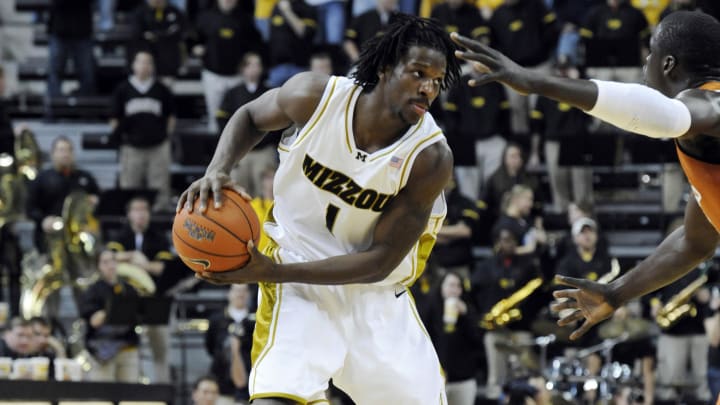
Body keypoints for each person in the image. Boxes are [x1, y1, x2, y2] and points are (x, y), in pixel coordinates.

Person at [179, 14, 461, 404]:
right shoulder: (314, 97)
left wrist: (272, 271)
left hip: (375, 295)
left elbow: (378, 261)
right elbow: (249, 115)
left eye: (437, 81)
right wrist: (217, 170)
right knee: (276, 398)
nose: (428, 88)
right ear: (384, 68)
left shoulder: (429, 157)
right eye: (418, 73)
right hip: (298, 273)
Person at [450, 10, 720, 340]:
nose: (645, 60)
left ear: (668, 65)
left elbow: (670, 116)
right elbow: (694, 242)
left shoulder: (711, 102)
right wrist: (616, 292)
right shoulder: (706, 140)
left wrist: (536, 82)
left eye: (652, 52)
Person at [107, 195, 174, 383]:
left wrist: (143, 265)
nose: (141, 214)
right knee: (124, 347)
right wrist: (132, 255)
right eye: (136, 210)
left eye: (144, 210)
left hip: (155, 297)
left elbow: (163, 267)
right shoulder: (120, 235)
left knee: (160, 347)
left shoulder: (158, 237)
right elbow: (110, 257)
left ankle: (162, 390)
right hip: (125, 299)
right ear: (129, 214)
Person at [110, 50, 176, 212]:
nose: (144, 66)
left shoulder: (162, 89)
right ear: (133, 65)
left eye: (148, 62)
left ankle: (159, 222)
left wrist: (165, 136)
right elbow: (114, 118)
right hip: (132, 148)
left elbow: (171, 116)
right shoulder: (123, 89)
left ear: (153, 66)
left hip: (158, 147)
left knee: (160, 189)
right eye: (141, 62)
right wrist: (122, 138)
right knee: (129, 186)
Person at [26, 136, 100, 253]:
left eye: (69, 150)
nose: (66, 154)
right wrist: (43, 220)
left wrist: (95, 200)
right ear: (53, 154)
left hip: (79, 233)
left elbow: (98, 198)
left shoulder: (85, 177)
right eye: (61, 150)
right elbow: (30, 208)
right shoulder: (42, 178)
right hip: (51, 233)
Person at [79, 249, 140, 382]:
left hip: (127, 347)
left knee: (130, 396)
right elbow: (94, 321)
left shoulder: (129, 289)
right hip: (102, 349)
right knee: (102, 396)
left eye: (113, 261)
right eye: (105, 262)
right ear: (99, 266)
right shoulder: (92, 291)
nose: (110, 265)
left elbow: (139, 315)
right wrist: (114, 310)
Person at [205, 284, 254, 405]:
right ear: (229, 293)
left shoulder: (256, 319)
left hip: (250, 384)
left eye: (244, 290)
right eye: (236, 290)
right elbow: (210, 346)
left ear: (249, 294)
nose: (240, 294)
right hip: (221, 383)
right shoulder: (216, 319)